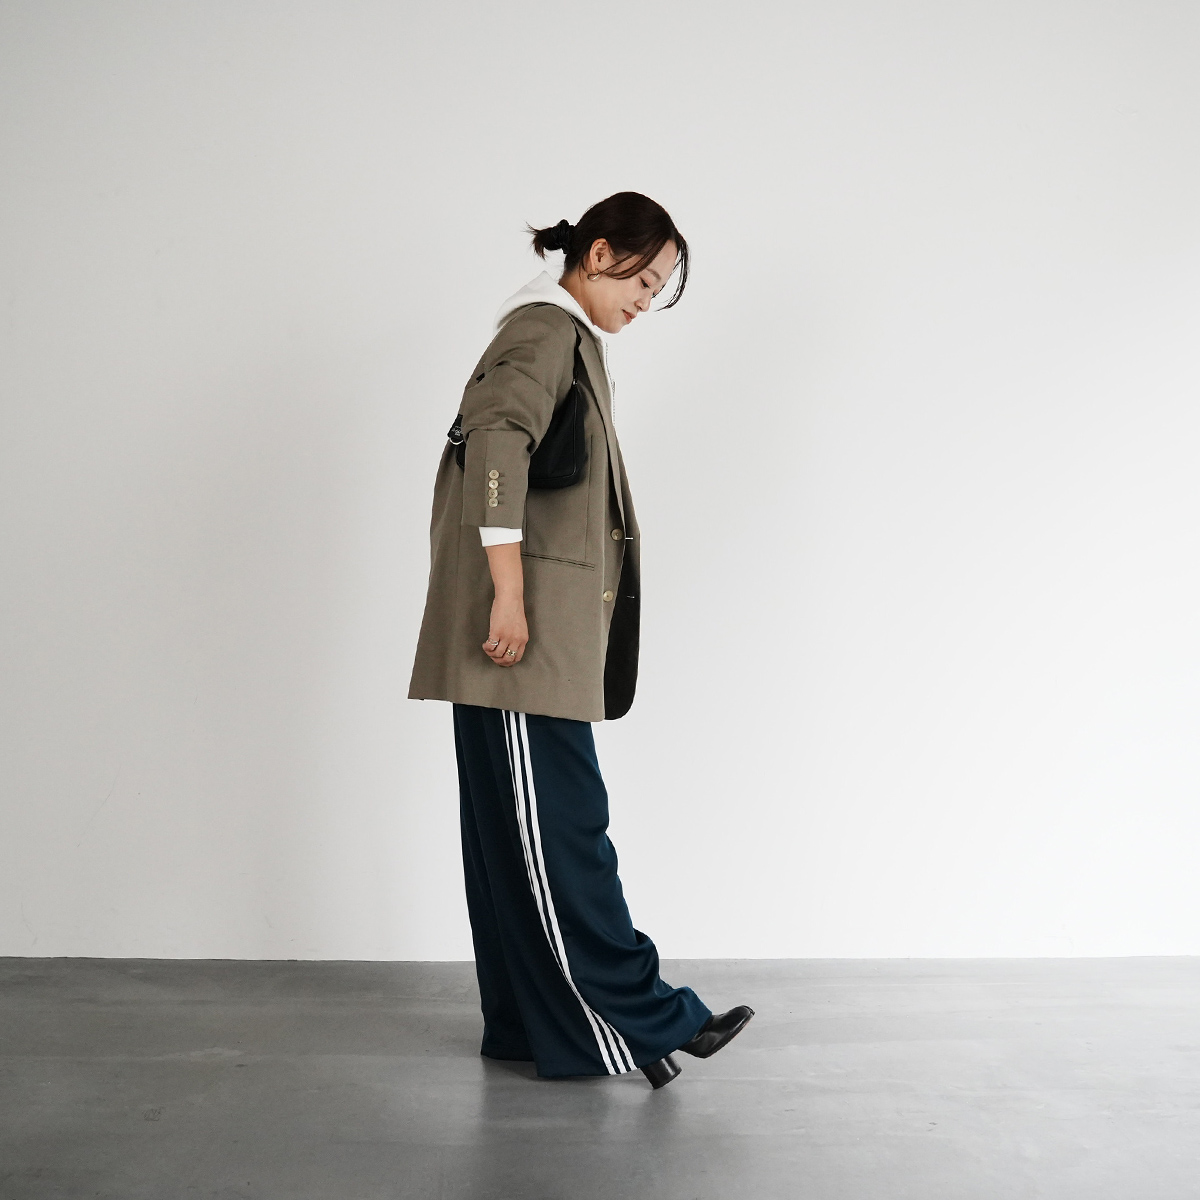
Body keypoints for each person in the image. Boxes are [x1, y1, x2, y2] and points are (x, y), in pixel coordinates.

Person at [409, 191, 752, 1088]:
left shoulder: (568, 338)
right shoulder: (543, 330)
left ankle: (531, 1027)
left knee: (512, 838)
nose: (647, 299)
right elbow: (496, 445)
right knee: (564, 834)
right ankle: (650, 1017)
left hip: (531, 643)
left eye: (660, 289)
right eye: (643, 279)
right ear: (597, 254)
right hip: (519, 644)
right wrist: (508, 594)